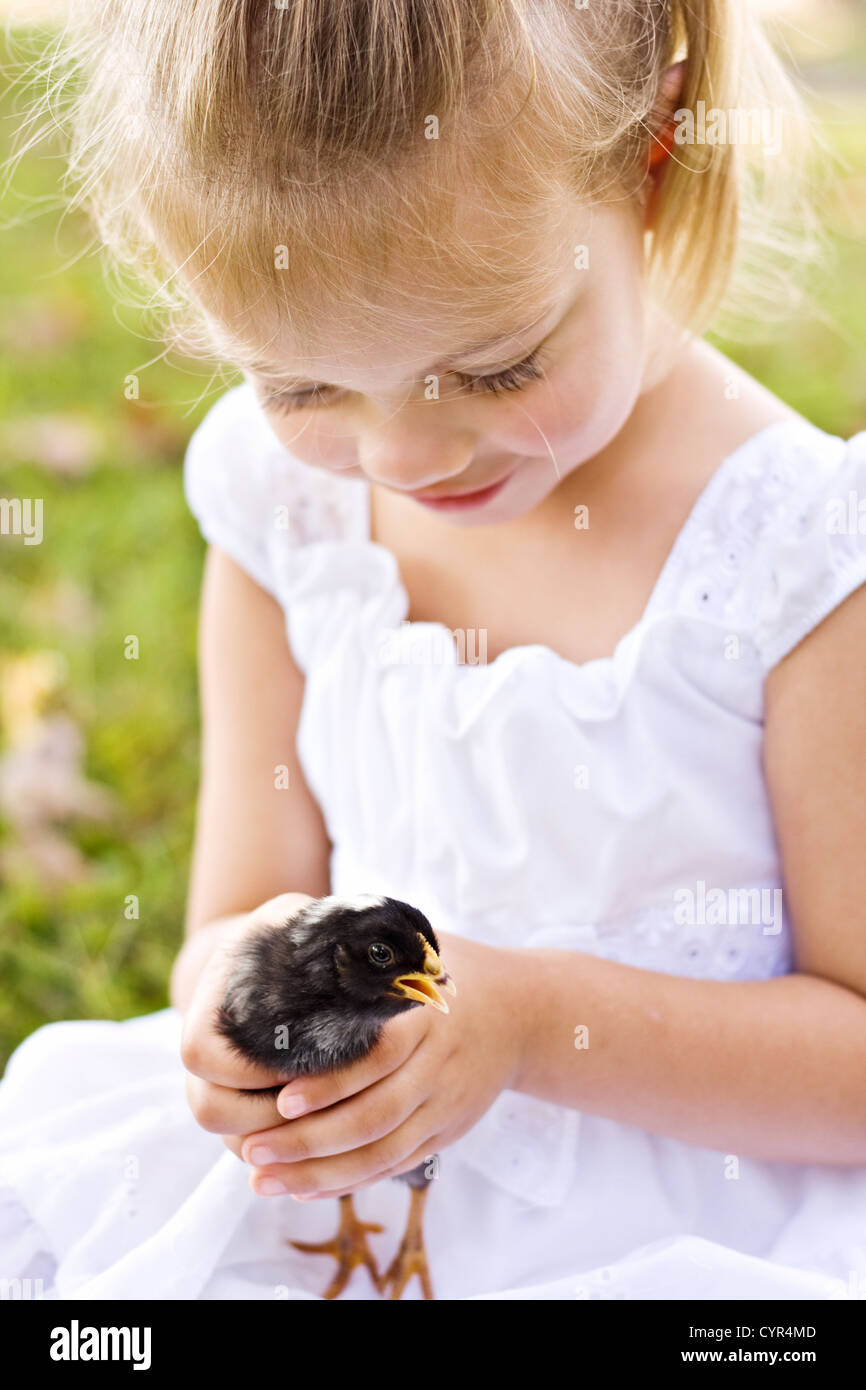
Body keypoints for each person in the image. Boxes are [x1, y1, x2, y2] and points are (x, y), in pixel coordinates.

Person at [2, 0, 865, 1300]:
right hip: (361, 1209)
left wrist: (523, 1025)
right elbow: (232, 916)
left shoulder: (797, 555)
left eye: (498, 366)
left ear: (654, 149)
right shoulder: (283, 507)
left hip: (702, 1220)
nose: (404, 459)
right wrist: (234, 1028)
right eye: (299, 386)